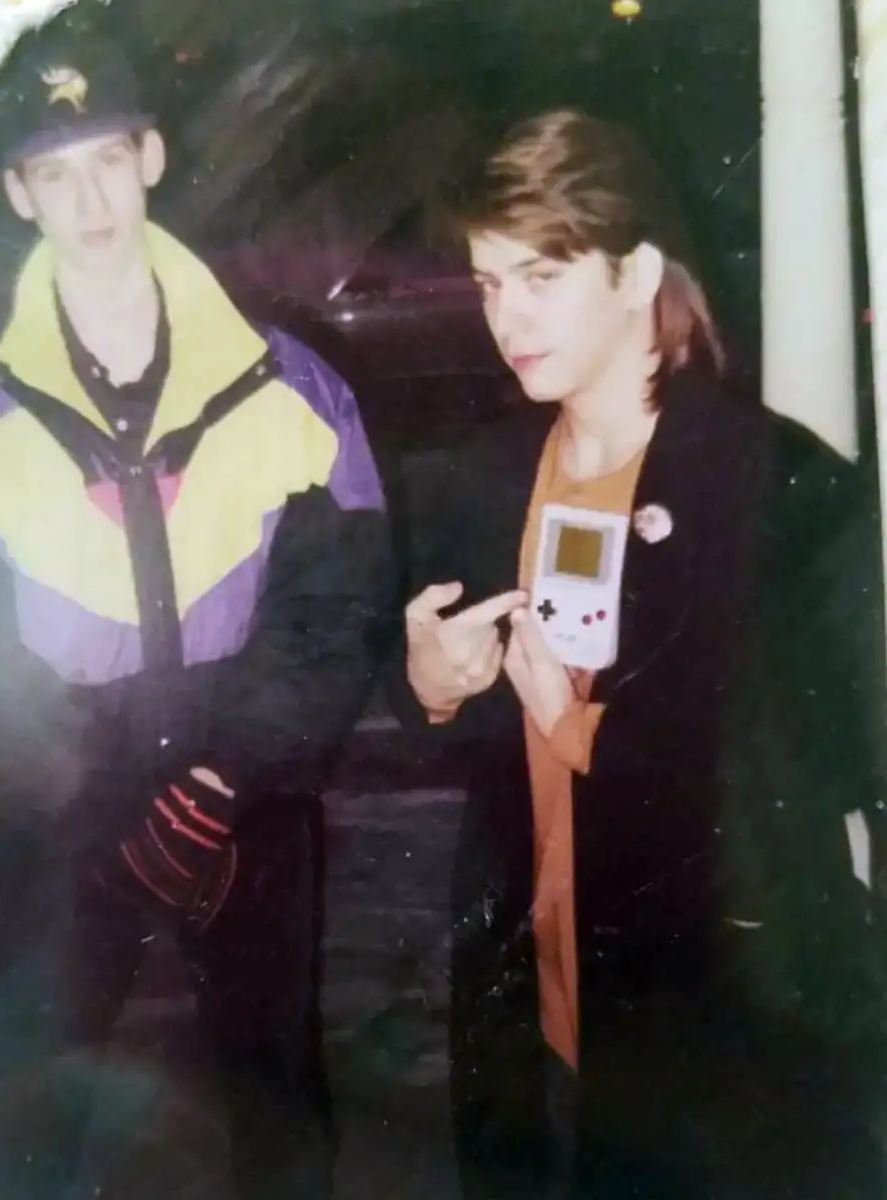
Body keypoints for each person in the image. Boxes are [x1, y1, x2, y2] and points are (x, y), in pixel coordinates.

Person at [390, 109, 887, 1199]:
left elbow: (834, 760)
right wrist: (432, 683)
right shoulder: (485, 477)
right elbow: (473, 720)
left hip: (707, 1015)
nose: (504, 318)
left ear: (635, 273)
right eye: (486, 284)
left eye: (539, 277)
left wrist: (578, 727)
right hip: (533, 994)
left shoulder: (779, 483)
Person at [0, 25, 394, 1200]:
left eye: (108, 158)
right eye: (54, 172)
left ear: (153, 158)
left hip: (249, 793)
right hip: (58, 810)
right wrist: (75, 781)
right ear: (20, 196)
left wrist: (228, 772)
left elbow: (339, 601)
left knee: (275, 1110)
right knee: (29, 1108)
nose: (90, 200)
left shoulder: (290, 384)